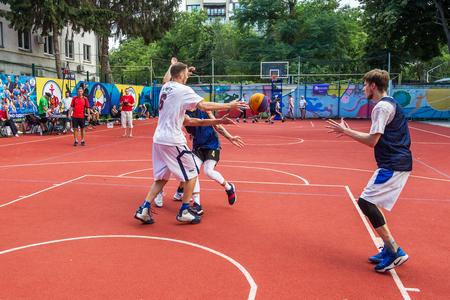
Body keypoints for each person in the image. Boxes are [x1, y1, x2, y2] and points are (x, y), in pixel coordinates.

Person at [134, 57, 246, 225]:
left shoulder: (166, 87)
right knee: (193, 171)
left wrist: (172, 66)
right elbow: (204, 106)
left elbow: (167, 80)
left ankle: (143, 209)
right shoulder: (182, 90)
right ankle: (185, 210)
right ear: (180, 76)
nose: (188, 77)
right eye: (186, 74)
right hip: (173, 140)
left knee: (162, 178)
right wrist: (229, 106)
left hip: (158, 140)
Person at [326, 69, 411, 273]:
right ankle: (390, 249)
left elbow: (373, 141)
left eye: (365, 84)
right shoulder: (391, 103)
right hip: (393, 163)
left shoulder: (381, 108)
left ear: (373, 86)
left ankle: (394, 251)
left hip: (393, 163)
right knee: (372, 202)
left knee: (366, 202)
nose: (363, 88)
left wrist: (346, 131)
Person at [155, 108, 244, 212]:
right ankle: (197, 205)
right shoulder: (183, 114)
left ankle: (229, 188)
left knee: (208, 171)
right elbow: (189, 128)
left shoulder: (204, 109)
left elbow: (216, 125)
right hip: (198, 147)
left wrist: (230, 138)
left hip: (212, 145)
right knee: (193, 172)